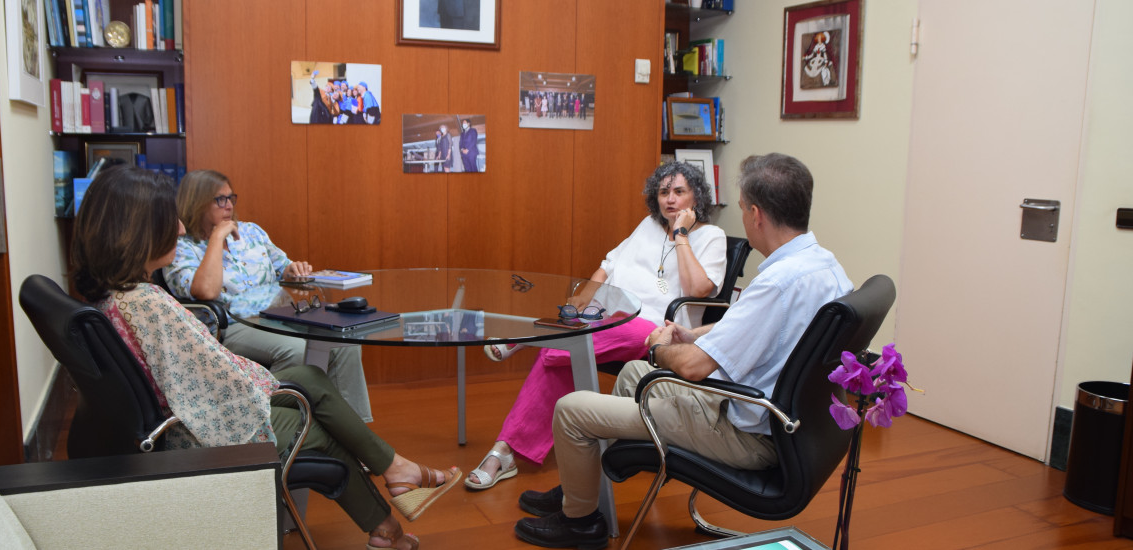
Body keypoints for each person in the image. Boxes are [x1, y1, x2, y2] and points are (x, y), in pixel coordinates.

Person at [72, 165, 461, 550]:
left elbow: (212, 369)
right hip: (200, 431)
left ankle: (394, 478)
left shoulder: (118, 298)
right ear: (139, 230)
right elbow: (222, 375)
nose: (175, 227)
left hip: (186, 411)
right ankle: (389, 511)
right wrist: (268, 383)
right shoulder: (151, 305)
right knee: (318, 423)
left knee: (309, 376)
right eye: (166, 218)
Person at [512, 153, 853, 548]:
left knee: (571, 409)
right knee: (631, 375)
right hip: (780, 420)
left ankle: (581, 523)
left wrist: (659, 348)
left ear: (757, 215)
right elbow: (752, 325)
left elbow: (692, 368)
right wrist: (694, 334)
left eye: (742, 209)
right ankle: (585, 489)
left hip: (742, 430)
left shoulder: (776, 282)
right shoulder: (826, 268)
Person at [465, 162, 726, 491]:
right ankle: (505, 451)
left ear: (697, 196)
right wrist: (577, 305)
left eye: (679, 192)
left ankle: (538, 336)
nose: (669, 200)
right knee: (562, 355)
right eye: (663, 192)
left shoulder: (711, 236)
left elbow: (698, 289)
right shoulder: (647, 225)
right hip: (607, 316)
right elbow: (608, 266)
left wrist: (682, 236)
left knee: (559, 348)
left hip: (659, 330)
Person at [162, 170, 373, 421]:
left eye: (231, 198)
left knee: (345, 342)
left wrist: (293, 270)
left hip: (278, 314)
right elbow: (206, 291)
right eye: (220, 200)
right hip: (233, 325)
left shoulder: (251, 232)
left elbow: (283, 266)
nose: (229, 205)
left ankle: (353, 427)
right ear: (197, 202)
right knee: (297, 349)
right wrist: (217, 238)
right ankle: (274, 420)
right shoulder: (181, 246)